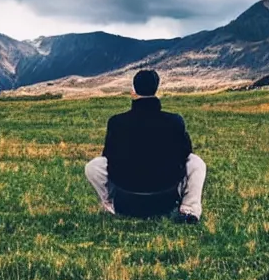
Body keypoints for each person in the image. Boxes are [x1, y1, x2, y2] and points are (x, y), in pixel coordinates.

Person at [84, 68, 206, 223]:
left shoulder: (116, 122)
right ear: (157, 89)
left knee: (94, 165)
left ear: (133, 91)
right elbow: (186, 153)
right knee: (196, 162)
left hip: (126, 201)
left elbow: (108, 156)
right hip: (166, 201)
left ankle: (110, 205)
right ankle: (188, 210)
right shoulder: (175, 121)